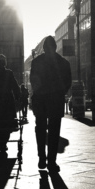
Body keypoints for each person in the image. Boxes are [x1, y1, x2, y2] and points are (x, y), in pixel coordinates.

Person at [30, 36, 72, 172]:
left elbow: (33, 80)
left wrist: (39, 92)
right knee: (54, 132)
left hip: (41, 100)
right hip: (56, 100)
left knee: (40, 129)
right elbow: (68, 82)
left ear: (43, 48)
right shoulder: (64, 63)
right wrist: (59, 93)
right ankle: (51, 162)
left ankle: (42, 158)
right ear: (55, 47)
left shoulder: (36, 62)